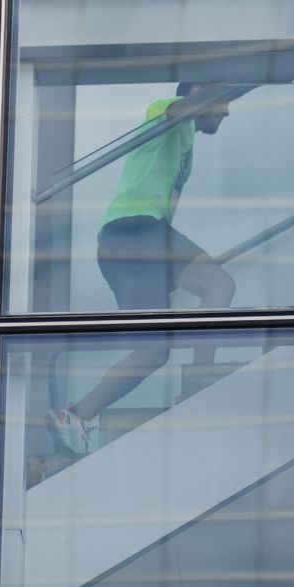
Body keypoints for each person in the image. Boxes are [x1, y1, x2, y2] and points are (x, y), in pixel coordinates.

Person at [49, 82, 235, 455]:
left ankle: (78, 414)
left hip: (145, 237)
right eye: (223, 103)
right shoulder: (166, 109)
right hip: (134, 229)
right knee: (217, 287)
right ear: (200, 91)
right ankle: (197, 390)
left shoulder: (187, 146)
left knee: (157, 347)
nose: (226, 112)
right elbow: (171, 110)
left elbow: (170, 205)